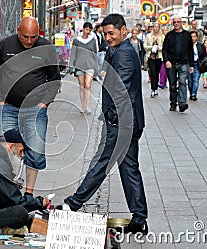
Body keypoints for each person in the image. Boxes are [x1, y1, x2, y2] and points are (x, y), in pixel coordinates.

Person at [64, 14, 148, 235]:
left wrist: (111, 116)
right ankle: (139, 219)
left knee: (100, 163)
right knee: (129, 169)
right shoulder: (119, 50)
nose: (108, 37)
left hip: (121, 123)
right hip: (126, 122)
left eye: (112, 33)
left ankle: (73, 203)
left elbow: (122, 90)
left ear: (124, 30)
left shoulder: (124, 54)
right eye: (105, 34)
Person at [0, 17, 61, 194]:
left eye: (33, 37)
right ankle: (6, 192)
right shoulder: (5, 46)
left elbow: (54, 79)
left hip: (35, 110)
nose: (29, 41)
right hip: (9, 107)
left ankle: (28, 194)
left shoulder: (46, 48)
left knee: (35, 153)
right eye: (25, 36)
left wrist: (44, 103)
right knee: (4, 150)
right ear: (18, 30)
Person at [162, 16, 194, 113]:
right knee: (172, 84)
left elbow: (190, 51)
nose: (176, 23)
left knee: (182, 82)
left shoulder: (187, 35)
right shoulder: (169, 35)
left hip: (183, 63)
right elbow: (164, 50)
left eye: (178, 22)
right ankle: (173, 103)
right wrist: (166, 60)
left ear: (181, 23)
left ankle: (182, 103)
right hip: (171, 63)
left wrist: (191, 65)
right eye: (174, 22)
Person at [70, 22, 98, 114]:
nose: (88, 31)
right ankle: (83, 106)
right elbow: (73, 53)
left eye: (90, 30)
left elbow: (95, 53)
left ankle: (88, 106)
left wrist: (96, 68)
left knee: (88, 85)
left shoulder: (93, 40)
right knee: (81, 86)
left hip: (90, 65)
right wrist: (71, 66)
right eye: (87, 29)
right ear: (83, 29)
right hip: (79, 65)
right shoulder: (76, 40)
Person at [144, 22, 164, 97]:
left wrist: (159, 48)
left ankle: (156, 89)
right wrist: (151, 47)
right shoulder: (148, 36)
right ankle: (153, 89)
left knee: (157, 74)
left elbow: (165, 47)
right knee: (153, 73)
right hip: (151, 57)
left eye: (157, 27)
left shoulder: (162, 36)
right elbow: (145, 46)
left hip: (159, 57)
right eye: (154, 27)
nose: (156, 28)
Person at [188, 31, 206, 101]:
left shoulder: (200, 45)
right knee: (190, 81)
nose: (193, 38)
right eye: (191, 36)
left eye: (194, 36)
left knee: (196, 79)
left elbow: (204, 55)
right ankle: (191, 92)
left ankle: (194, 94)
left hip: (197, 64)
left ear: (197, 37)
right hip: (189, 64)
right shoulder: (187, 45)